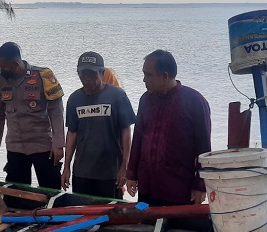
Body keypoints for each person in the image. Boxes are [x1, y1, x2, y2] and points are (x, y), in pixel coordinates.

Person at [126, 49, 211, 206]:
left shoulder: (195, 101)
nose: (144, 79)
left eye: (148, 75)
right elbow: (138, 137)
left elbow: (204, 147)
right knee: (147, 228)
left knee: (178, 230)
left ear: (165, 76)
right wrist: (131, 174)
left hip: (179, 190)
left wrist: (201, 185)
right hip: (147, 187)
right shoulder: (145, 100)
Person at [0, 42, 65, 190]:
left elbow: (57, 111)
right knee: (16, 194)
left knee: (51, 191)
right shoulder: (3, 80)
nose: (0, 69)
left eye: (3, 66)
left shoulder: (44, 76)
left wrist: (58, 144)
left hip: (43, 146)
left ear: (15, 64)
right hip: (15, 147)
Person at [61, 51, 136, 199]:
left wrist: (125, 166)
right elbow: (72, 133)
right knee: (82, 212)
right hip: (82, 171)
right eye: (83, 74)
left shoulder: (118, 96)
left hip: (110, 173)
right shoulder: (75, 99)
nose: (87, 79)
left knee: (110, 215)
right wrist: (66, 167)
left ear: (102, 73)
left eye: (92, 74)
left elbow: (126, 131)